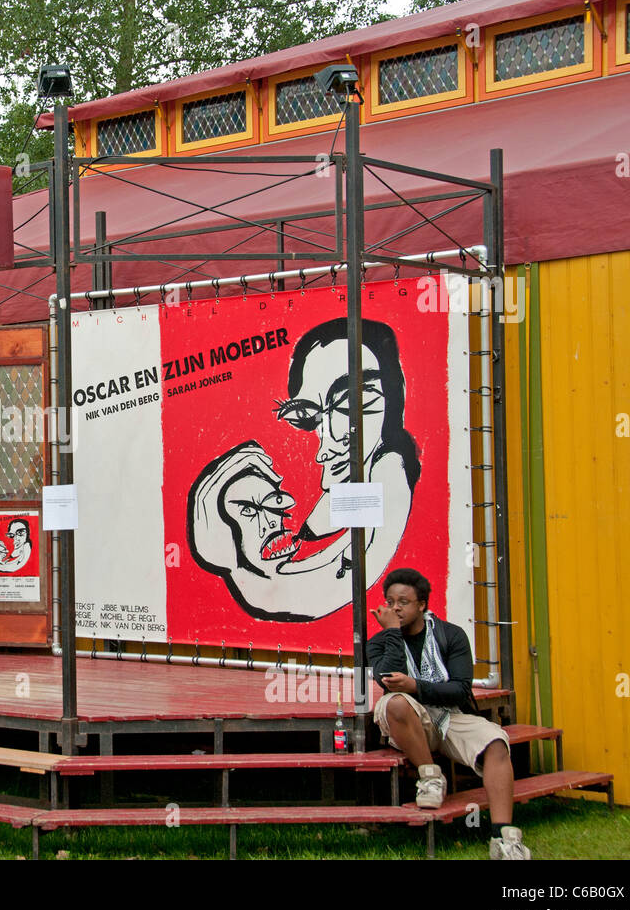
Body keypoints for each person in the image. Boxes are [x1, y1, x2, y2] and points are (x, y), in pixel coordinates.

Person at [189, 318, 418, 620]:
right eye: (308, 417)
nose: (329, 443)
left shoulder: (388, 472)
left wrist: (231, 563)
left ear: (393, 402)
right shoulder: (353, 499)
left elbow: (331, 578)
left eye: (356, 403)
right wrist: (228, 558)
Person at [367, 567, 530, 860]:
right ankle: (430, 777)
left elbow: (459, 690)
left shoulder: (450, 635)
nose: (395, 607)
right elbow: (387, 680)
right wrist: (391, 633)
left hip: (450, 714)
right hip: (408, 719)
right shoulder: (380, 641)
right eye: (390, 601)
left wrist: (417, 685)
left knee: (495, 741)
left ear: (422, 604)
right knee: (396, 702)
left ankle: (504, 838)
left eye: (403, 601)